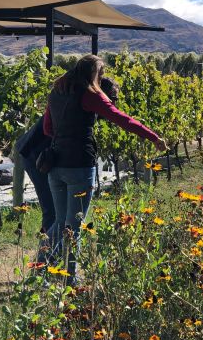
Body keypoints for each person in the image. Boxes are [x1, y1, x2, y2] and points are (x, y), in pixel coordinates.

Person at [41, 54, 167, 277]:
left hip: (56, 165)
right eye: (100, 74)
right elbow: (122, 119)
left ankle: (39, 267)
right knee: (74, 227)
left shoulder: (56, 92)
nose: (101, 79)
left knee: (60, 223)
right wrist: (153, 137)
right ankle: (70, 280)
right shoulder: (90, 94)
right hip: (79, 166)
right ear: (93, 73)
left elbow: (47, 129)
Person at [16, 76, 120, 233]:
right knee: (52, 210)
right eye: (112, 99)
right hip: (34, 153)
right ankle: (47, 255)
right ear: (101, 94)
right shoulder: (78, 104)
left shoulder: (83, 102)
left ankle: (53, 252)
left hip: (46, 153)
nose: (113, 105)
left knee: (60, 214)